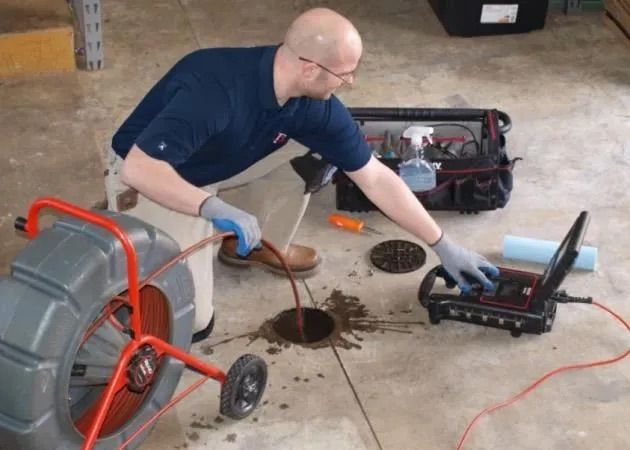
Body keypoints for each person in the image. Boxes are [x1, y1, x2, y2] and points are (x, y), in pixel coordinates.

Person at [105, 7, 499, 343]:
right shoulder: (215, 87)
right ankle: (141, 228)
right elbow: (140, 166)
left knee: (316, 153)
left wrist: (443, 243)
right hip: (156, 174)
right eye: (345, 74)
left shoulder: (312, 105)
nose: (350, 83)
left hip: (222, 159)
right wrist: (210, 205)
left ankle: (255, 242)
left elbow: (374, 177)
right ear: (310, 69)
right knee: (188, 323)